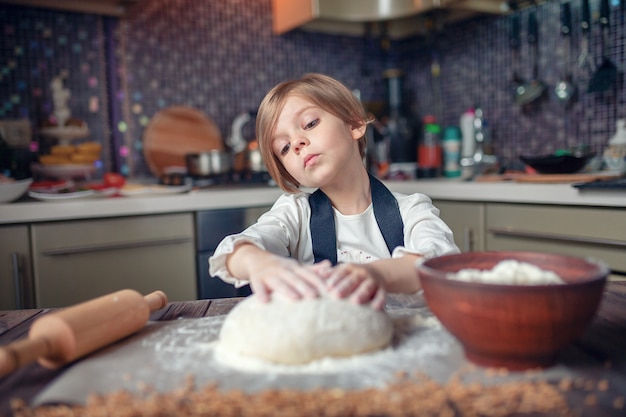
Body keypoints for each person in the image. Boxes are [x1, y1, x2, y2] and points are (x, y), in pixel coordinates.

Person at [209, 73, 459, 310]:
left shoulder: (412, 210)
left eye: (310, 123)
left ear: (354, 124)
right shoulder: (296, 213)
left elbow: (438, 264)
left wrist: (373, 274)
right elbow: (231, 253)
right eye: (284, 147)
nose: (296, 143)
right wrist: (261, 264)